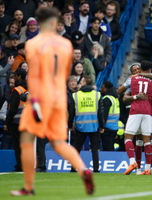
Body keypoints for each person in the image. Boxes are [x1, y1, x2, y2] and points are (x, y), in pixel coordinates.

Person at [10, 7, 94, 196]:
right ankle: (83, 170)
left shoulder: (34, 44)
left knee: (26, 140)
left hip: (41, 97)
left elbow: (36, 75)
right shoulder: (66, 44)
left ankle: (29, 187)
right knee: (58, 143)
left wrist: (36, 101)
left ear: (40, 22)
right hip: (59, 97)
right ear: (54, 22)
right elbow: (63, 75)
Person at [123, 61, 152, 175]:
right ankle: (146, 168)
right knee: (146, 141)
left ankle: (139, 165)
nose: (136, 72)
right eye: (134, 70)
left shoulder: (132, 80)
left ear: (140, 70)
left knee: (134, 138)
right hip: (149, 114)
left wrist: (133, 96)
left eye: (137, 69)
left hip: (138, 111)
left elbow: (121, 93)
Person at [70, 75, 104, 172]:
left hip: (80, 126)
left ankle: (73, 168)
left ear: (84, 83)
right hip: (94, 126)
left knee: (77, 148)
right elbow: (100, 112)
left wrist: (70, 124)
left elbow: (71, 112)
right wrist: (101, 126)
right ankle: (96, 169)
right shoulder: (97, 95)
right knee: (95, 149)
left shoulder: (75, 95)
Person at [5, 67, 27, 172]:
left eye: (15, 76)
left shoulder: (17, 91)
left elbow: (12, 109)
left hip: (17, 122)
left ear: (18, 76)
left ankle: (20, 165)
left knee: (18, 146)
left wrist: (7, 122)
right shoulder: (28, 89)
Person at [100, 81, 120, 151]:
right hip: (114, 128)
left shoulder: (106, 99)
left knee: (107, 149)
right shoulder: (115, 99)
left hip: (107, 129)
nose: (100, 89)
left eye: (102, 87)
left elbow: (104, 115)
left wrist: (101, 126)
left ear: (106, 89)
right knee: (110, 148)